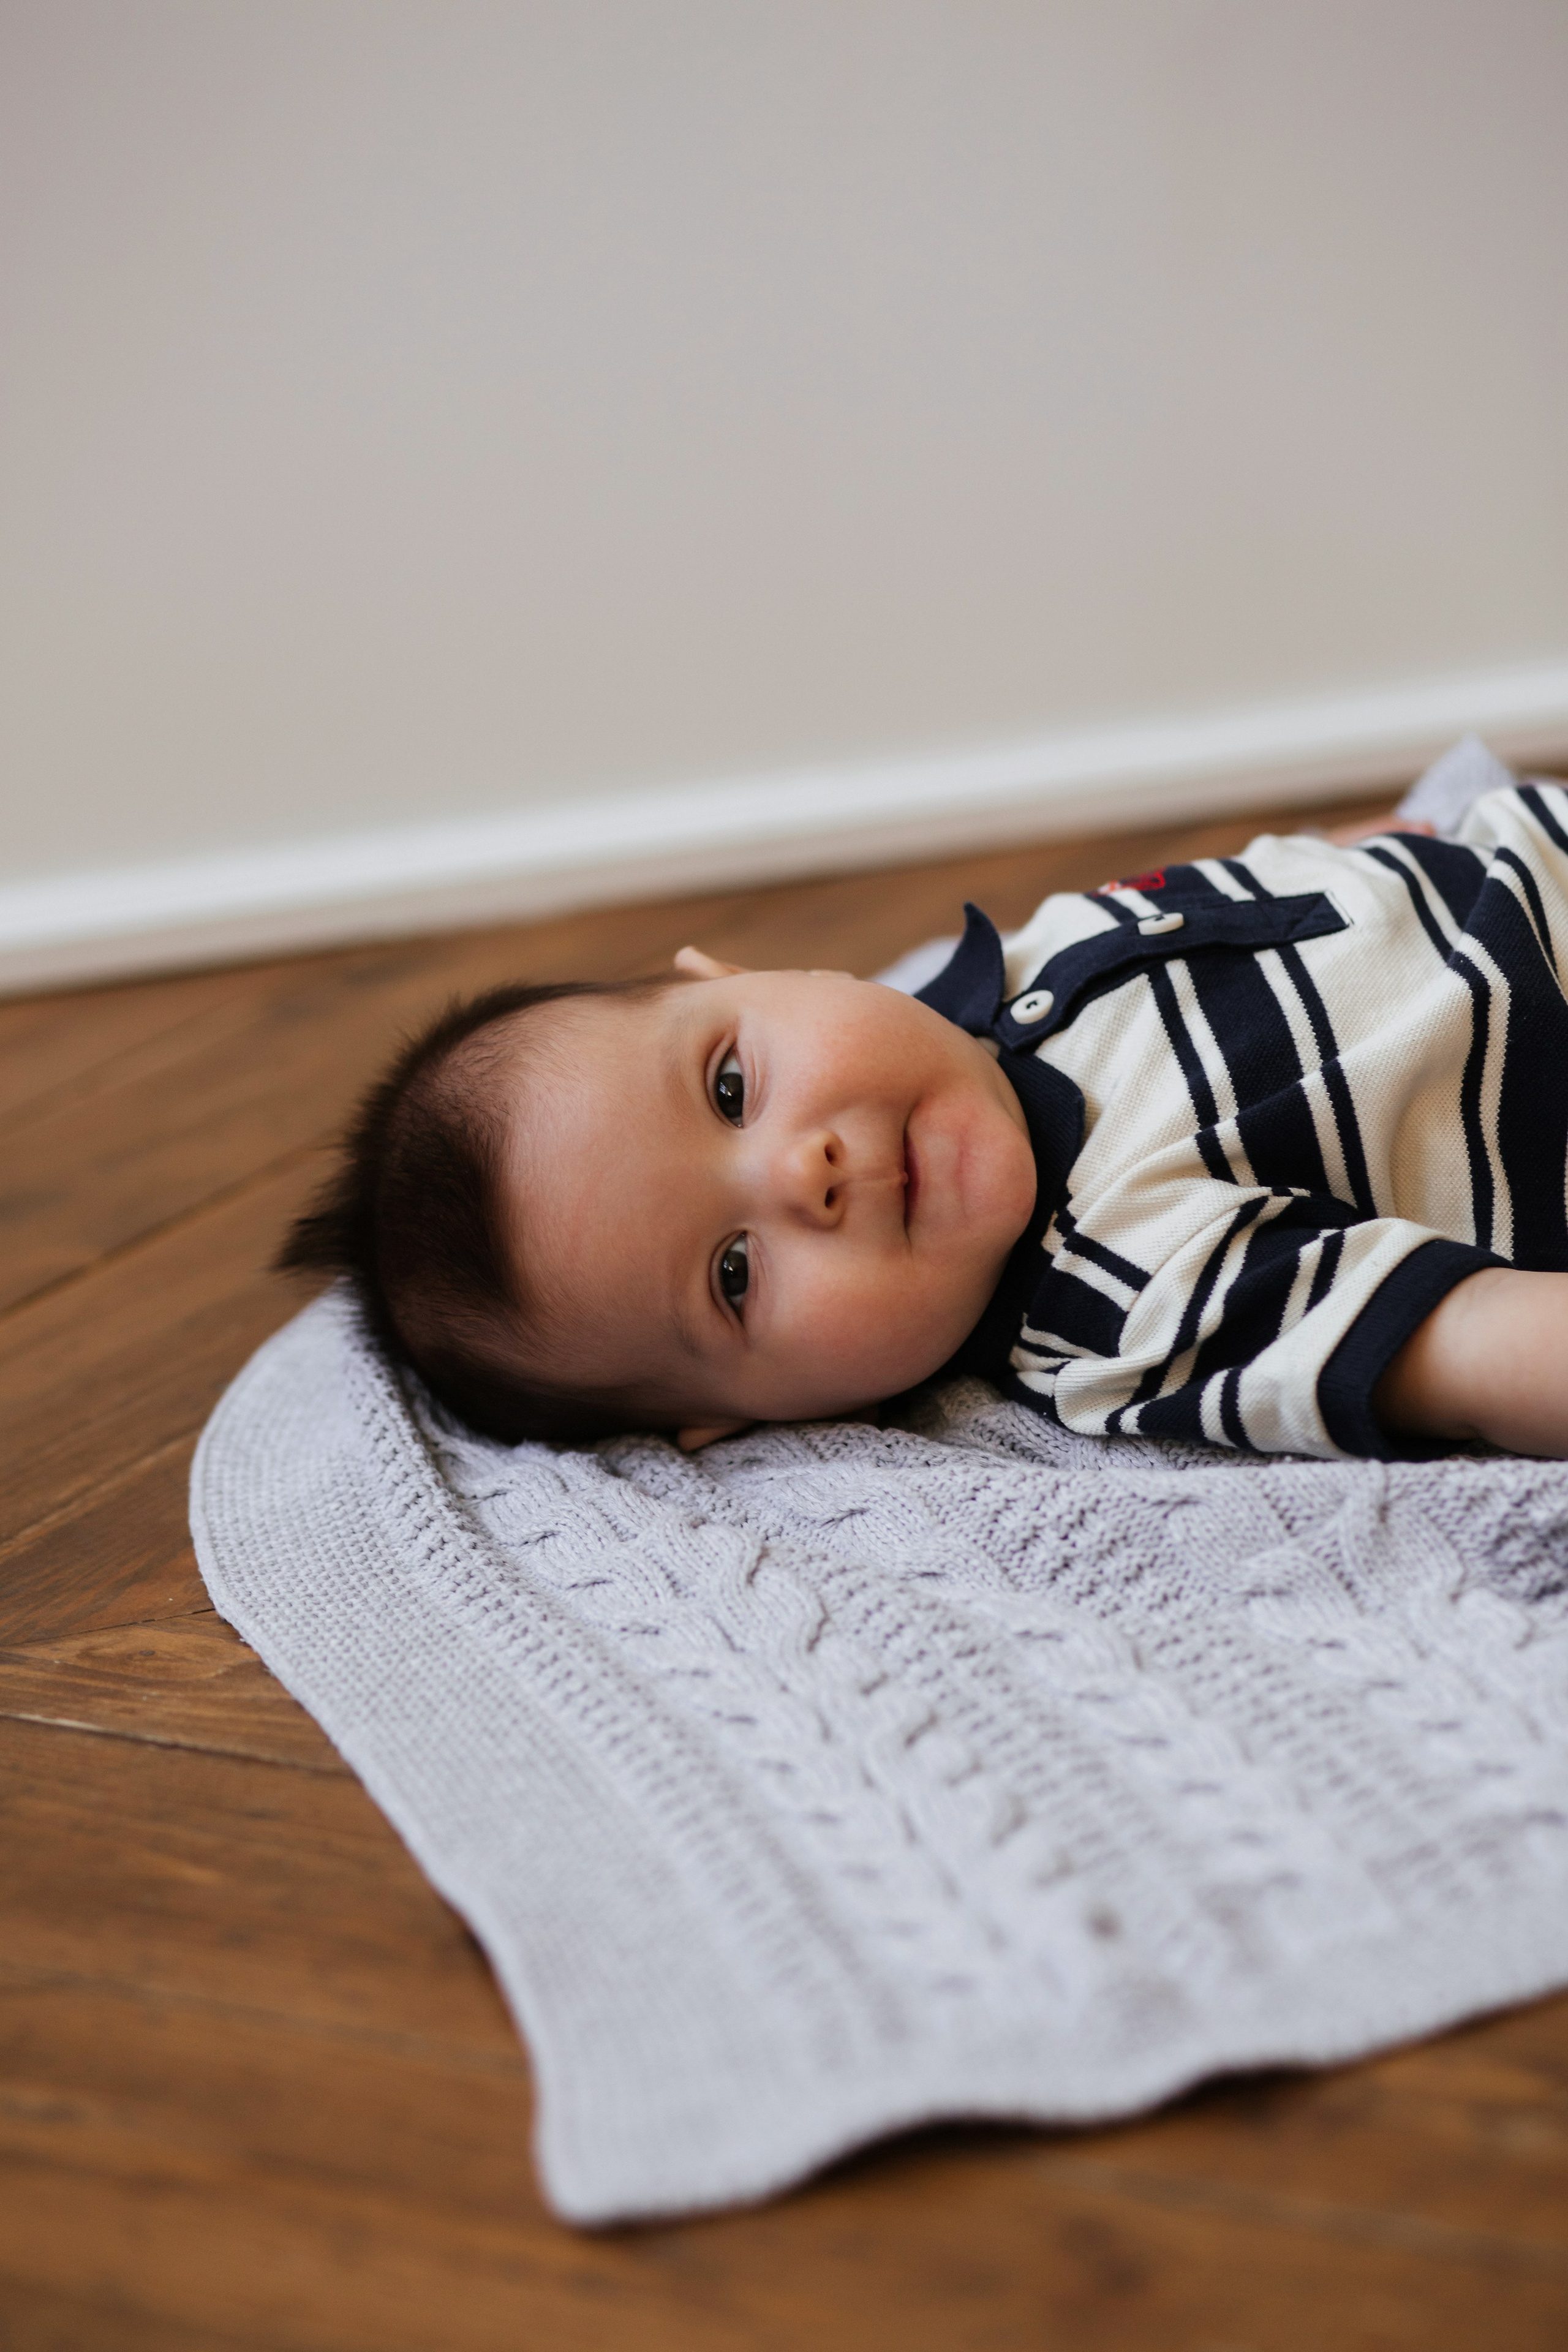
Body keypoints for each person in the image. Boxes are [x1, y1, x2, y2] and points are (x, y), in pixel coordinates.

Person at [280, 748, 1568, 1463]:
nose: (803, 1175)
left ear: (739, 981)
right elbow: (1473, 1352)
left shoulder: (1002, 972)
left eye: (731, 1086)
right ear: (745, 1416)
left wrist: (1387, 831)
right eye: (733, 1275)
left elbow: (1242, 889)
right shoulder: (1122, 1295)